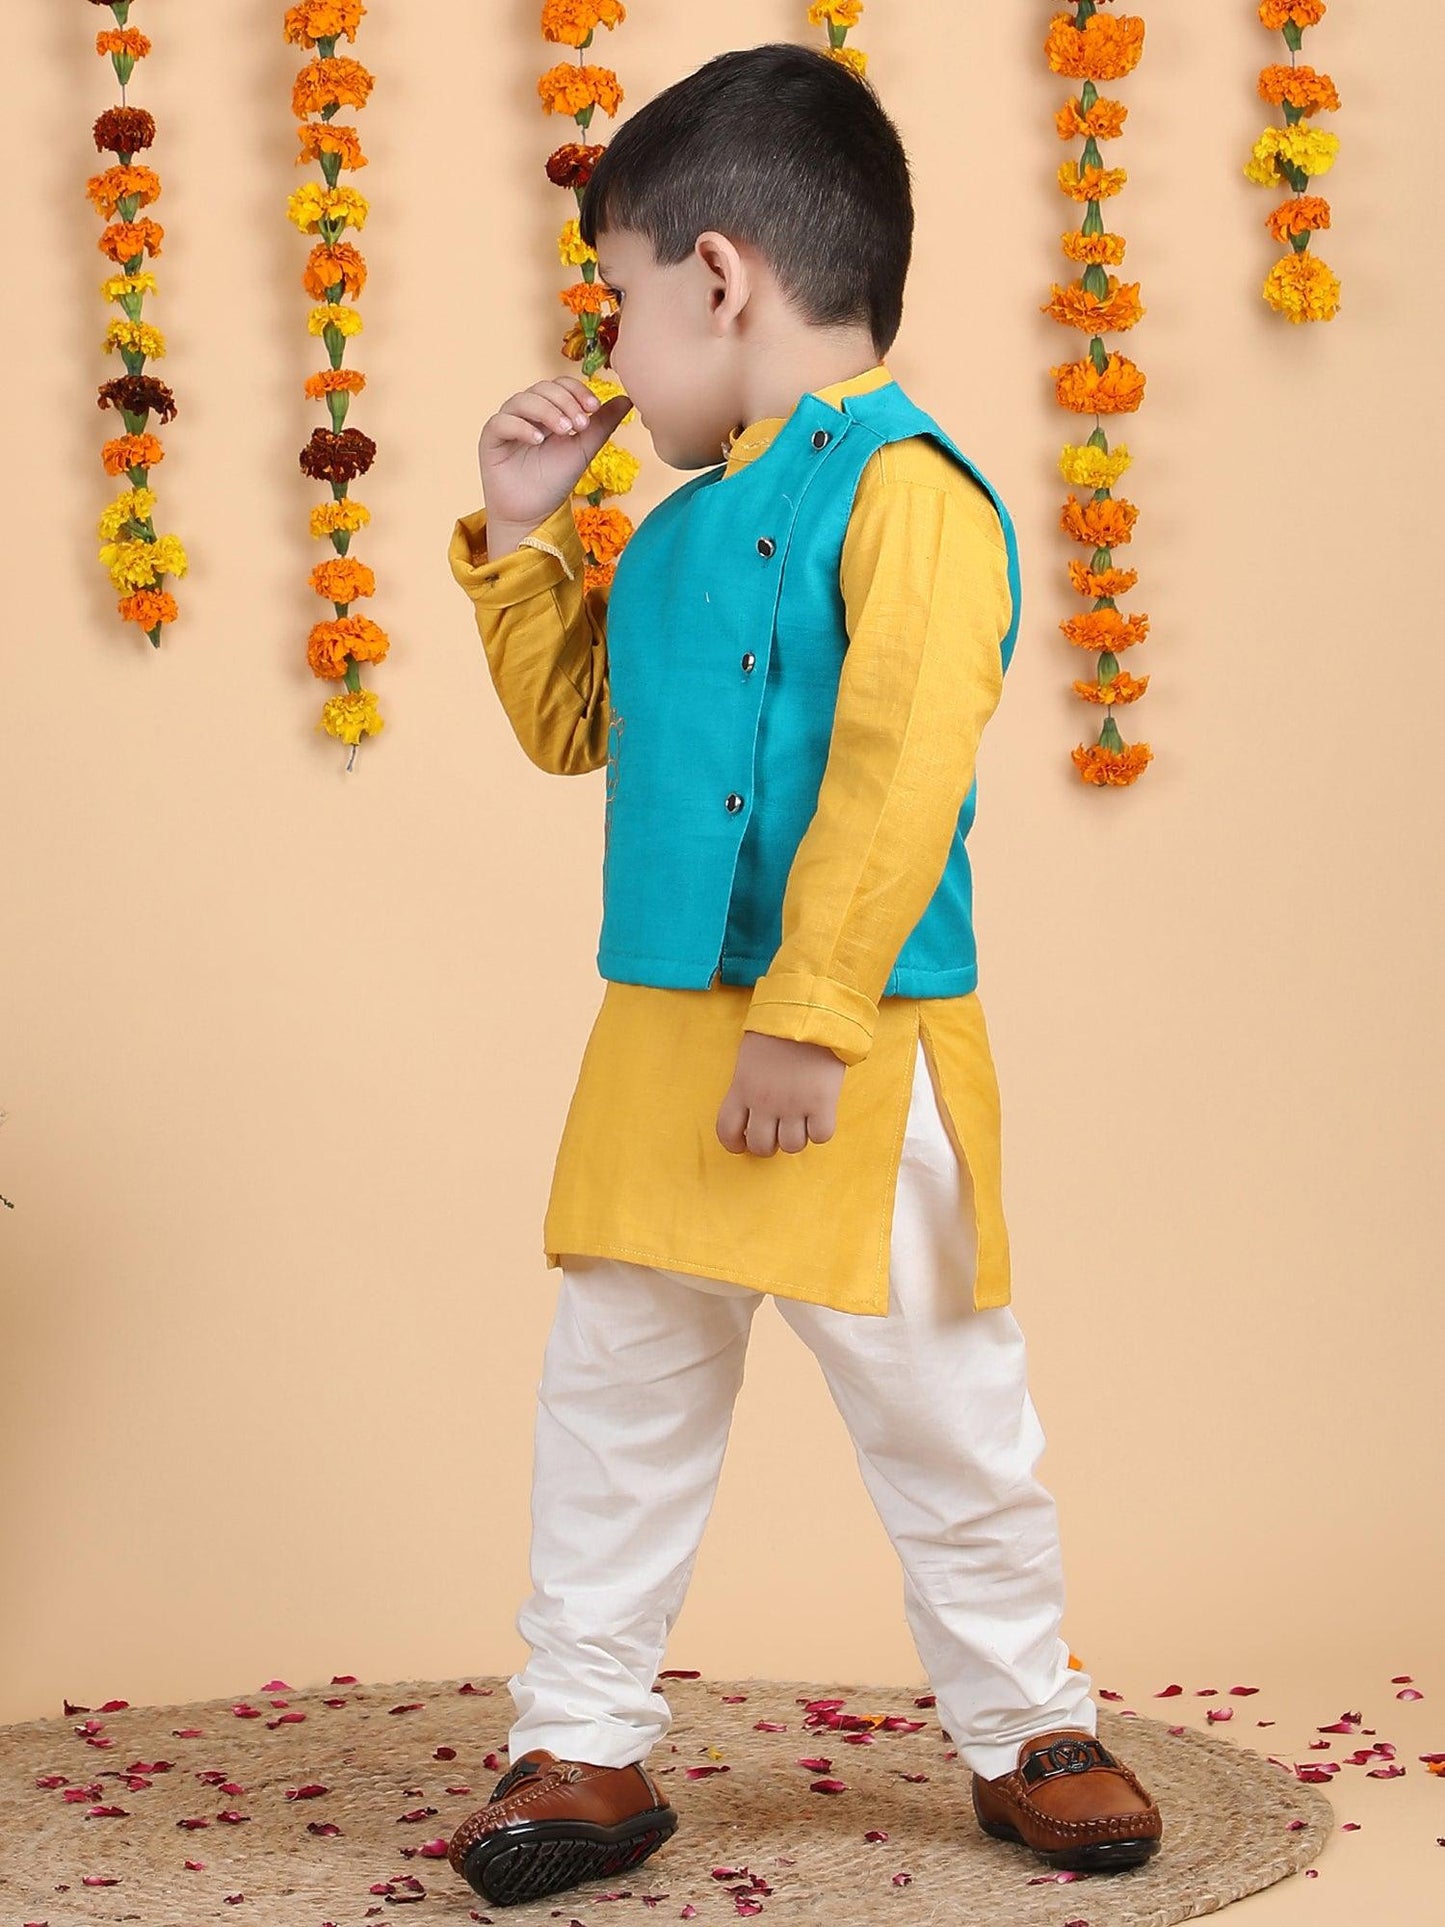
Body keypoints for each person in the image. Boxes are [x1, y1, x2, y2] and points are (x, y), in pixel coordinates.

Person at [443, 40, 1162, 1912]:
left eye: (615, 299)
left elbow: (901, 768)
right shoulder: (671, 531)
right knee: (614, 1410)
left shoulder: (918, 498)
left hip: (856, 1051)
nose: (609, 354)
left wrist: (808, 1019)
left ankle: (1028, 1726)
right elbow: (573, 728)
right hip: (659, 1048)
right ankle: (581, 1739)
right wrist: (521, 534)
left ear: (716, 277)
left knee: (944, 1412)